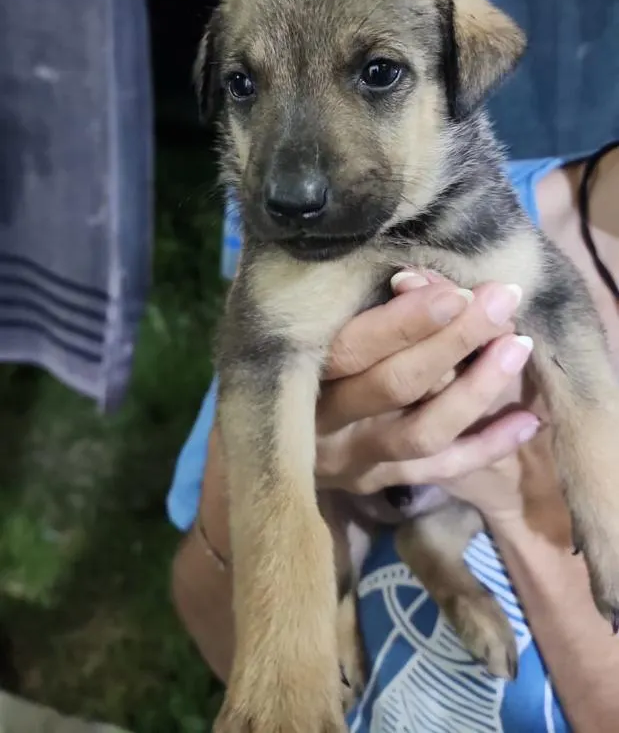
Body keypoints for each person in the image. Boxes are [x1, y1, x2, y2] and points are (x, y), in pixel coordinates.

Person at [168, 142, 619, 733]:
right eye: (243, 86)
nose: (298, 181)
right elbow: (208, 616)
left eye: (379, 74)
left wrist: (524, 501)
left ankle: (432, 556)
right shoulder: (364, 205)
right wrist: (269, 474)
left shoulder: (473, 206)